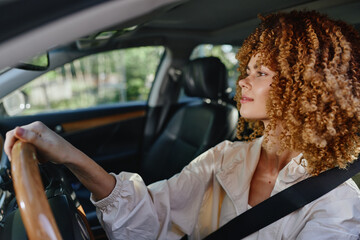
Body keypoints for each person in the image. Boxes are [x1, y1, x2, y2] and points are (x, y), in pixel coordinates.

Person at [4, 10, 360, 239]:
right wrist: (70, 156)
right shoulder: (225, 158)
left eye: (261, 73)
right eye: (247, 71)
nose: (243, 82)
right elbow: (149, 215)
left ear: (306, 86)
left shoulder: (337, 204)